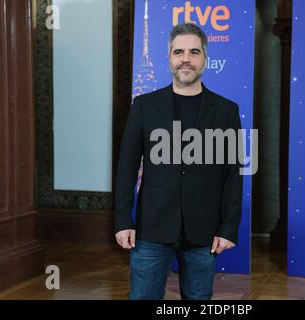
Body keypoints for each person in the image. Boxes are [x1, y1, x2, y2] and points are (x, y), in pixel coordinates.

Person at [114, 23, 243, 300]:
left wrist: (228, 226)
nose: (186, 58)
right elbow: (126, 168)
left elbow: (233, 173)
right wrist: (123, 220)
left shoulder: (226, 111)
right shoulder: (144, 106)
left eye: (194, 52)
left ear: (205, 59)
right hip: (151, 228)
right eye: (179, 52)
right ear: (169, 58)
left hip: (204, 232)